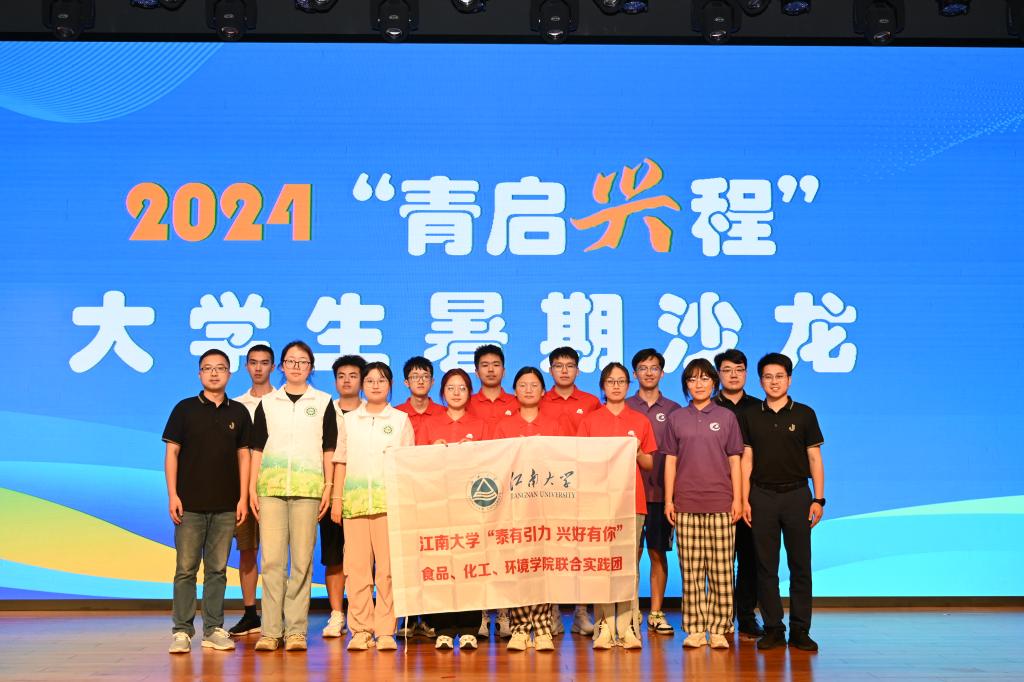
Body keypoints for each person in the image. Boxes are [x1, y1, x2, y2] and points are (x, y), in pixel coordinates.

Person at [248, 341, 338, 652]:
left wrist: (328, 487)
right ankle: (271, 631)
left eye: (302, 361)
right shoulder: (268, 403)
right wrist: (252, 487)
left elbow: (329, 449)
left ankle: (296, 630)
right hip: (271, 490)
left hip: (309, 489)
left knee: (302, 561)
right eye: (290, 361)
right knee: (272, 561)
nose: (296, 366)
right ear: (282, 366)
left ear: (311, 367)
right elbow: (257, 448)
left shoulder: (323, 402)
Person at [164, 349, 251, 654]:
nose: (214, 373)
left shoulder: (239, 412)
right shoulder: (184, 409)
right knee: (186, 569)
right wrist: (173, 494)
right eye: (208, 368)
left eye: (220, 368)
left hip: (226, 506)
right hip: (189, 505)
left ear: (229, 373)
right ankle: (182, 631)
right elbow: (172, 453)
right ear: (199, 374)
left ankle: (213, 629)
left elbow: (244, 456)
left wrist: (243, 497)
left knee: (217, 570)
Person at [740, 353, 826, 652]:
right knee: (766, 567)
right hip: (761, 496)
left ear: (789, 379)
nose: (774, 382)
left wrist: (818, 498)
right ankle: (773, 628)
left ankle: (800, 630)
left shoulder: (804, 414)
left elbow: (814, 458)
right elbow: (746, 459)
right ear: (760, 380)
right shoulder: (750, 414)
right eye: (768, 377)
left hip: (797, 496)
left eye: (779, 376)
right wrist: (744, 499)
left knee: (800, 565)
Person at [331, 361, 415, 652]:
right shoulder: (350, 419)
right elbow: (341, 460)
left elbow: (407, 465)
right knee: (356, 570)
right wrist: (337, 500)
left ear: (390, 385)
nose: (375, 385)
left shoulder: (401, 420)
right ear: (363, 385)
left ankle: (386, 630)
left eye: (381, 380)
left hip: (389, 506)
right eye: (370, 380)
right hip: (354, 505)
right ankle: (361, 630)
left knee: (388, 572)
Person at [663, 358, 743, 649]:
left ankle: (720, 628)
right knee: (691, 570)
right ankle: (695, 628)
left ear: (714, 383)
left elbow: (735, 460)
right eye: (692, 379)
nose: (698, 384)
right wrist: (669, 500)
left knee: (722, 570)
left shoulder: (726, 417)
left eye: (704, 379)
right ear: (686, 384)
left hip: (721, 502)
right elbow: (670, 461)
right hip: (685, 503)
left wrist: (738, 499)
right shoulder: (677, 418)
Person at [576, 362, 655, 650]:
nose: (616, 386)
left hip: (632, 501)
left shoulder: (640, 420)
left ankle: (628, 626)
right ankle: (604, 627)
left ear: (628, 385)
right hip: (598, 503)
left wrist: (637, 450)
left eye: (621, 381)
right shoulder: (590, 421)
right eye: (611, 381)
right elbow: (580, 461)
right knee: (601, 566)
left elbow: (649, 463)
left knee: (628, 566)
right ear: (603, 386)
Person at [493, 366, 570, 653]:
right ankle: (520, 628)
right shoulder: (503, 426)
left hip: (546, 506)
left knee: (543, 566)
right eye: (522, 385)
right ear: (514, 390)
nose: (528, 389)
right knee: (519, 566)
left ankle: (543, 628)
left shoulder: (555, 424)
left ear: (543, 390)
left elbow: (565, 462)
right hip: (514, 507)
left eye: (534, 385)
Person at [422, 368, 490, 651]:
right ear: (442, 392)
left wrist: (474, 453)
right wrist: (432, 452)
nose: (456, 393)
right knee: (442, 565)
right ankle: (444, 628)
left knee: (470, 566)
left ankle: (470, 628)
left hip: (471, 505)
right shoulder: (430, 424)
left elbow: (492, 464)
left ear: (469, 392)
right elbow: (416, 465)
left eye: (462, 388)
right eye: (451, 388)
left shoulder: (481, 425)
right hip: (438, 504)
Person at [540, 346, 601, 636]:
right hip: (547, 486)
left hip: (583, 485)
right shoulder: (539, 400)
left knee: (582, 548)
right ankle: (551, 611)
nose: (564, 370)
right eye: (558, 365)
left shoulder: (591, 402)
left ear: (578, 369)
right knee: (549, 549)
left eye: (569, 365)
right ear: (550, 369)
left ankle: (581, 612)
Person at [626, 348, 681, 637]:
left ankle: (656, 612)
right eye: (643, 368)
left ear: (662, 372)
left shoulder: (674, 410)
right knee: (629, 555)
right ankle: (630, 610)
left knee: (658, 553)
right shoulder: (623, 407)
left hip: (662, 495)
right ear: (634, 374)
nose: (649, 372)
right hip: (627, 495)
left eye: (654, 367)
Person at [713, 348, 764, 639]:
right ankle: (719, 616)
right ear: (718, 374)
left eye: (739, 369)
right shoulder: (707, 407)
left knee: (750, 558)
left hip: (754, 494)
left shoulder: (759, 408)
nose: (733, 375)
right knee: (717, 560)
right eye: (727, 370)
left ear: (746, 373)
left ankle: (746, 616)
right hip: (716, 492)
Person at [466, 344, 516, 639]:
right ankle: (482, 615)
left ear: (504, 370)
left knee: (506, 550)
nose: (490, 369)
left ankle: (506, 613)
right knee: (480, 552)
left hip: (510, 487)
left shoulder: (516, 401)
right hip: (477, 489)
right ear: (477, 371)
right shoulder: (467, 403)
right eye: (484, 365)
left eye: (496, 364)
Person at [227, 344, 275, 638]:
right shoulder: (236, 405)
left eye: (264, 362)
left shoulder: (283, 402)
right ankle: (249, 613)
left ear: (273, 367)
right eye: (253, 363)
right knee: (247, 550)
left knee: (275, 555)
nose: (258, 368)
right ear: (246, 367)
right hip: (243, 489)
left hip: (276, 486)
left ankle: (276, 613)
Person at [320, 354, 367, 639]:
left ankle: (363, 615)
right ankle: (337, 614)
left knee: (365, 559)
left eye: (353, 375)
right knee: (334, 556)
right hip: (332, 493)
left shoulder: (372, 412)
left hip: (366, 494)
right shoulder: (325, 410)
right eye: (341, 376)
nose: (347, 380)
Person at [394, 356, 441, 639]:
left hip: (436, 495)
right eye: (415, 376)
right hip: (405, 494)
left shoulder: (444, 413)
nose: (420, 381)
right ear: (405, 382)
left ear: (432, 381)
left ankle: (432, 617)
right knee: (407, 556)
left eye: (425, 376)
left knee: (434, 555)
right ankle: (409, 618)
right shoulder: (396, 415)